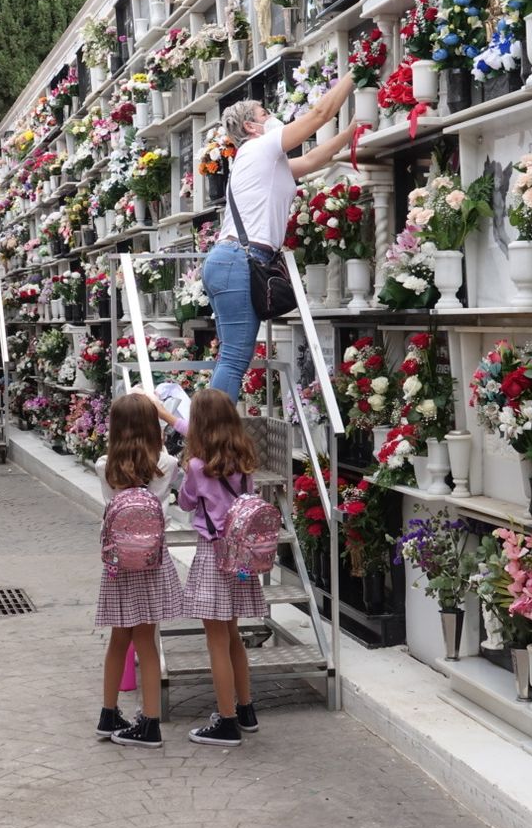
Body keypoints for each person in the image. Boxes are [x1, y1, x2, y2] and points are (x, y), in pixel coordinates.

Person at [204, 79, 358, 400]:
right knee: (234, 360)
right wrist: (354, 74)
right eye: (266, 112)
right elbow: (319, 115)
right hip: (240, 261)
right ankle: (207, 443)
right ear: (252, 126)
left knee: (230, 358)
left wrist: (354, 131)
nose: (273, 116)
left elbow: (315, 160)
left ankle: (204, 435)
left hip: (231, 260)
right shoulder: (260, 147)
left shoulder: (264, 161)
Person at [162, 388, 265, 746]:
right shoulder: (244, 459)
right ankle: (246, 707)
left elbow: (188, 502)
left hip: (212, 555)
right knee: (233, 635)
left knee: (216, 640)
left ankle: (226, 721)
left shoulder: (196, 466)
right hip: (241, 556)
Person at [92, 394, 184, 748]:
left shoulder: (105, 464)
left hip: (117, 565)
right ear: (152, 426)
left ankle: (108, 712)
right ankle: (149, 722)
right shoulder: (166, 463)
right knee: (146, 640)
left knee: (119, 639)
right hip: (152, 563)